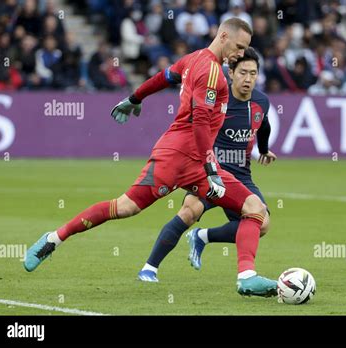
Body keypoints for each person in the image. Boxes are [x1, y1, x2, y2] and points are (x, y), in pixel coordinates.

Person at [24, 18, 277, 297]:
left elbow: (164, 77)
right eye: (239, 47)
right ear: (224, 36)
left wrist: (135, 97)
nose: (240, 54)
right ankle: (54, 239)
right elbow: (200, 122)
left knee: (255, 208)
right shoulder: (212, 72)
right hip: (178, 156)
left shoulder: (192, 60)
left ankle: (246, 276)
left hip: (195, 161)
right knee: (124, 207)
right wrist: (211, 166)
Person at [138, 47, 276, 282]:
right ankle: (149, 268)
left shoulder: (261, 101)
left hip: (241, 177)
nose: (248, 79)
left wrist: (263, 149)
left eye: (253, 74)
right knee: (189, 211)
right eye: (243, 72)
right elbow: (197, 124)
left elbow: (264, 125)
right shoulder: (217, 95)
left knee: (262, 223)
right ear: (230, 73)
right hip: (208, 173)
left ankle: (203, 237)